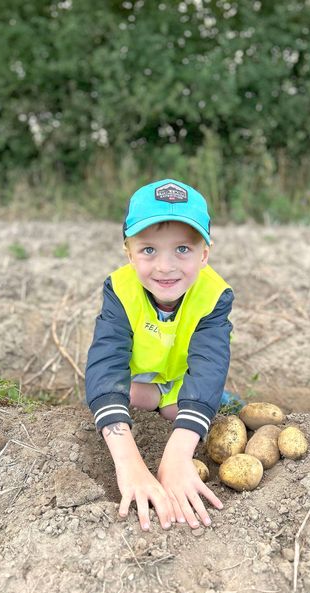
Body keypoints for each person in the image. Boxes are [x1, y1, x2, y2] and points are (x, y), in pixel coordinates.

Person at [85, 179, 233, 532]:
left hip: (184, 379)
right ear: (129, 252)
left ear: (204, 254)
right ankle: (169, 402)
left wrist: (177, 455)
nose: (165, 267)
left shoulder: (215, 295)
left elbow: (209, 362)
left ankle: (215, 403)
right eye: (149, 250)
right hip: (142, 380)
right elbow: (106, 364)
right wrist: (129, 461)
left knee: (181, 410)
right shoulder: (120, 289)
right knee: (126, 397)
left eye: (182, 249)